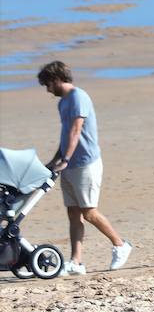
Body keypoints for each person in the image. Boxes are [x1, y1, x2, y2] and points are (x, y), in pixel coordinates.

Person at [36, 62, 133, 274]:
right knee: (73, 213)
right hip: (69, 165)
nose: (48, 90)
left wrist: (66, 158)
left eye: (48, 84)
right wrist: (55, 161)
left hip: (85, 163)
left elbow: (76, 130)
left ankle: (120, 245)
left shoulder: (79, 97)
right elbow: (65, 137)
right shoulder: (62, 103)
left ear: (56, 79)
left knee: (89, 212)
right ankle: (76, 262)